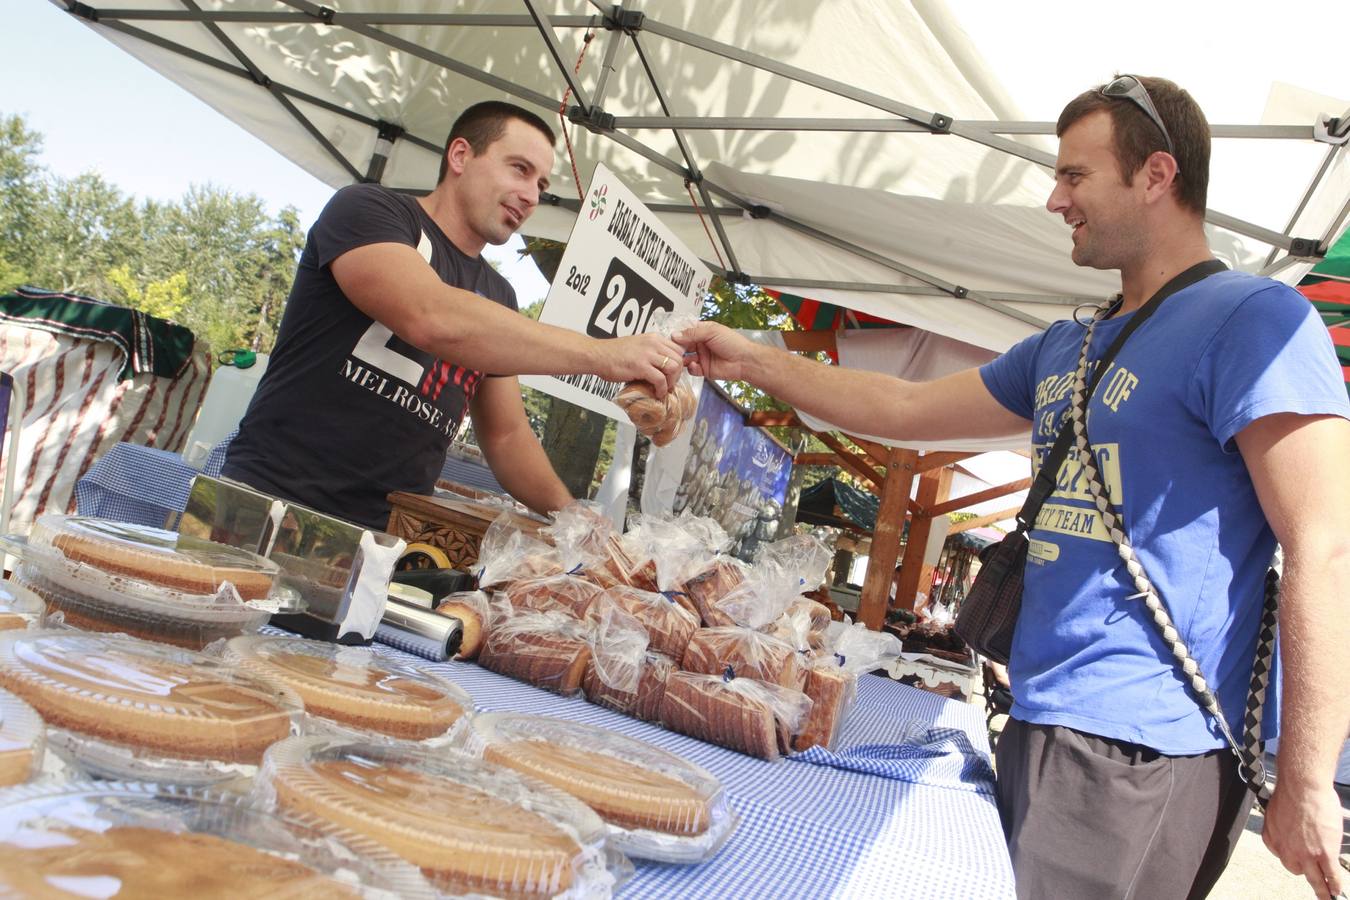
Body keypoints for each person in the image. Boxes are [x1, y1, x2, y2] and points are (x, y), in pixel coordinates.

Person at [677, 75, 1350, 899]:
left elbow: (1324, 545)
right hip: (1039, 714)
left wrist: (1308, 778)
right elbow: (903, 407)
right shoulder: (1067, 344)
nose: (1055, 199)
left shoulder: (1256, 318)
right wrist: (754, 360)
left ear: (1156, 175)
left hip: (1142, 747)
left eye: (1075, 175)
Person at [223, 100, 684, 529]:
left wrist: (576, 519)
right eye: (520, 169)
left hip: (388, 536)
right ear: (460, 155)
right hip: (267, 503)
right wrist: (603, 354)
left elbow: (506, 436)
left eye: (541, 185)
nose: (531, 195)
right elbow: (430, 316)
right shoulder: (368, 208)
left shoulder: (499, 295)